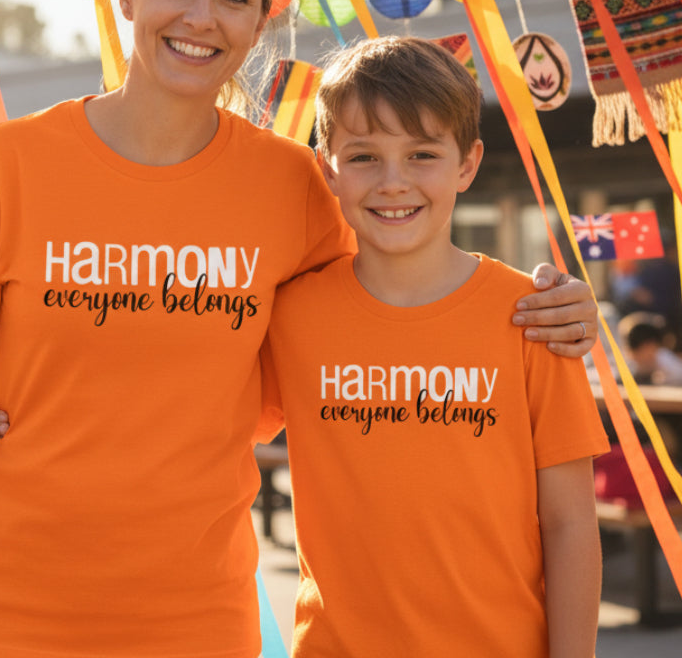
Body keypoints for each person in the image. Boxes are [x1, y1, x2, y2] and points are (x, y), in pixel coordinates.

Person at [0, 0, 598, 658]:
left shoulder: (295, 183)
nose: (201, 16)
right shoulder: (9, 163)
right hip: (5, 607)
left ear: (261, 17)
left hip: (197, 618)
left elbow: (396, 300)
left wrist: (557, 310)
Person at [254, 37, 610, 657]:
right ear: (327, 166)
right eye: (363, 156)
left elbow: (571, 522)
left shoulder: (534, 314)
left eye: (422, 154)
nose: (394, 183)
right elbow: (185, 411)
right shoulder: (288, 315)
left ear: (467, 164)